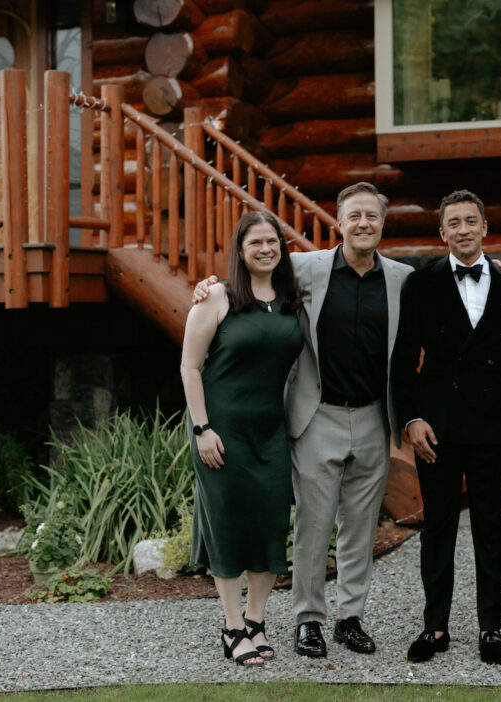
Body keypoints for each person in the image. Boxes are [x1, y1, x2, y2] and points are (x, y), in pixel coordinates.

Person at [193, 182, 413, 658]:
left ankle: (350, 618)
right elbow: (253, 270)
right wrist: (208, 284)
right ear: (339, 222)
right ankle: (308, 620)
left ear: (382, 223)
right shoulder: (307, 268)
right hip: (319, 416)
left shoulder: (402, 278)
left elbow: (444, 298)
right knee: (314, 524)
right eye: (354, 215)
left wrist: (492, 268)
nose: (363, 224)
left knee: (360, 524)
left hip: (376, 416)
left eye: (371, 216)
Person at [391, 190, 501, 664]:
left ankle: (491, 627)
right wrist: (411, 419)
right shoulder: (421, 284)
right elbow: (404, 359)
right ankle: (435, 628)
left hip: (493, 427)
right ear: (443, 233)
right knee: (439, 528)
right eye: (455, 222)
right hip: (438, 428)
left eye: (472, 221)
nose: (464, 229)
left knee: (491, 527)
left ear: (485, 228)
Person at [180, 210, 304, 666]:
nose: (266, 249)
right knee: (230, 527)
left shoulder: (292, 296)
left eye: (272, 241)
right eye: (256, 243)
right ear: (241, 250)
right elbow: (189, 367)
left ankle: (256, 621)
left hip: (271, 432)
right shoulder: (217, 295)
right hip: (221, 432)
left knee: (270, 524)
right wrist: (202, 429)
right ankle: (232, 627)